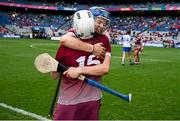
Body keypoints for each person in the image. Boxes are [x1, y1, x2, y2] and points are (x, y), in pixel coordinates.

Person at [51, 8, 111, 120]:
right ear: (88, 19)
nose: (102, 26)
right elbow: (64, 39)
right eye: (99, 21)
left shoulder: (104, 40)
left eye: (105, 23)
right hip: (92, 99)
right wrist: (92, 49)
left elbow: (54, 75)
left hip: (72, 101)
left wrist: (78, 70)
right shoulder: (104, 40)